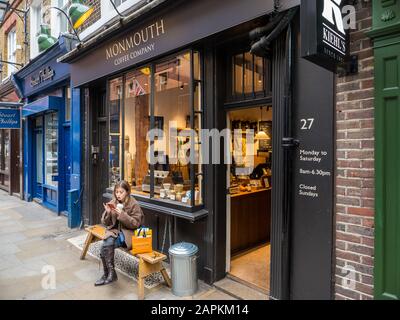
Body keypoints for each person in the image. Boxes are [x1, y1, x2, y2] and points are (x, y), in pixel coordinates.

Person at [95, 180, 144, 286]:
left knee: (105, 246)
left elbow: (136, 224)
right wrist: (108, 213)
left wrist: (122, 215)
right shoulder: (113, 202)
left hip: (128, 234)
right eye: (116, 192)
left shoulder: (134, 204)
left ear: (127, 192)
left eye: (121, 192)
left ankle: (108, 274)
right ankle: (109, 274)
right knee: (106, 245)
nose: (118, 195)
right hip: (114, 232)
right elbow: (104, 222)